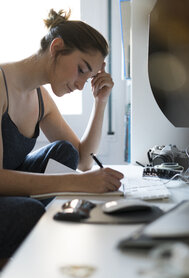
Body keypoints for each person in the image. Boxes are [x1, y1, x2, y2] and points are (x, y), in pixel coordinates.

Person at [0, 9, 124, 262]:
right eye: (81, 69)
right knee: (30, 211)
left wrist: (101, 102)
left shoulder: (40, 98)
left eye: (88, 77)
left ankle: (38, 231)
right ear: (56, 48)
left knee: (65, 151)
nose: (80, 85)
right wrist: (80, 183)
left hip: (9, 193)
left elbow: (82, 160)